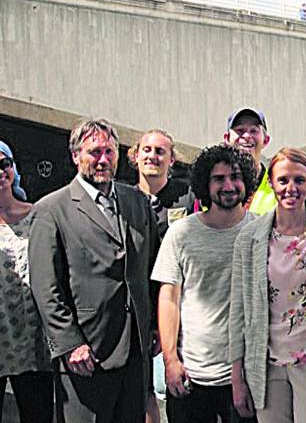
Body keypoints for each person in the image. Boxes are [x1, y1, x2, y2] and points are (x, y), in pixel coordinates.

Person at [29, 119, 158, 422]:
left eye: (109, 152)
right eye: (94, 152)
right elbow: (45, 287)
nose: (103, 160)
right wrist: (70, 343)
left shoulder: (137, 202)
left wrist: (153, 325)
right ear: (75, 156)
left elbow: (151, 267)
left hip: (135, 354)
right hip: (86, 357)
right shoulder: (51, 210)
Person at [229, 148, 306, 422]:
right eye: (283, 180)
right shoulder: (249, 238)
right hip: (266, 365)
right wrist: (237, 376)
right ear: (271, 182)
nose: (291, 188)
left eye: (299, 180)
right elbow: (238, 311)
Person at [152, 144, 256, 423]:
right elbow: (169, 298)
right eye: (218, 179)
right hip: (190, 374)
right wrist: (170, 360)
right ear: (204, 185)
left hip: (245, 375)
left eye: (235, 177)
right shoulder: (181, 232)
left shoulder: (261, 231)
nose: (229, 185)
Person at [129, 129, 196, 423]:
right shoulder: (122, 198)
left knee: (174, 389)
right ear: (135, 156)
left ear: (172, 160)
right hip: (137, 311)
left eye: (160, 151)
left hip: (178, 309)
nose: (152, 156)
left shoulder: (189, 196)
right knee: (144, 393)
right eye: (147, 150)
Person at [0, 141, 54, 423]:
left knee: (38, 416)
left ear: (13, 169)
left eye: (3, 164)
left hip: (33, 338)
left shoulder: (38, 215)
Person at [223, 107, 277, 215]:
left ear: (266, 140)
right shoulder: (213, 186)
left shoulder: (277, 188)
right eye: (240, 130)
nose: (247, 136)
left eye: (254, 131)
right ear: (227, 138)